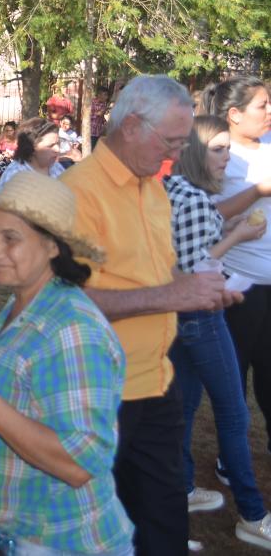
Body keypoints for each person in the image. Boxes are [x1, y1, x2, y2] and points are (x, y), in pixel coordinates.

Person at [61, 75, 239, 554]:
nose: (177, 155)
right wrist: (174, 296)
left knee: (165, 530)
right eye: (172, 141)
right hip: (101, 398)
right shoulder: (79, 193)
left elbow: (160, 277)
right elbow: (71, 307)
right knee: (102, 534)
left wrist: (204, 292)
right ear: (133, 127)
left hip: (157, 386)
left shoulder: (154, 187)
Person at [0, 171, 133, 556]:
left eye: (11, 238)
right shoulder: (25, 303)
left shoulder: (73, 331)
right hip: (27, 533)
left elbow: (78, 464)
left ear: (53, 246)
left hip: (65, 544)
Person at [164, 115, 271, 548]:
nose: (229, 159)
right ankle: (252, 513)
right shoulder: (188, 196)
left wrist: (230, 229)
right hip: (199, 316)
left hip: (184, 315)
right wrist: (240, 234)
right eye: (219, 149)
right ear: (194, 151)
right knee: (232, 412)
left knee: (187, 405)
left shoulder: (181, 192)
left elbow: (194, 243)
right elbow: (197, 264)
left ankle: (185, 488)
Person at [205, 77, 271, 468]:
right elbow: (207, 218)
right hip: (237, 284)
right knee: (234, 375)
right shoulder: (219, 154)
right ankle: (231, 459)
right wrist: (258, 192)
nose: (269, 112)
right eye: (262, 105)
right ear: (234, 114)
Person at [0, 118, 64, 193]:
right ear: (32, 146)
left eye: (58, 144)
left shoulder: (57, 168)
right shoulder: (15, 175)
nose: (57, 149)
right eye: (51, 145)